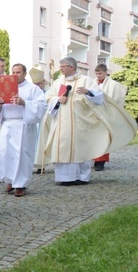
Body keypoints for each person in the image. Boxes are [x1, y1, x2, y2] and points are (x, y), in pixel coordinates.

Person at [42, 57, 136, 186]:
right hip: (61, 123)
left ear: (72, 67)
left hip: (81, 122)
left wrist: (88, 92)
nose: (61, 69)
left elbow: (99, 98)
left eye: (63, 66)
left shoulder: (86, 81)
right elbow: (48, 97)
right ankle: (65, 178)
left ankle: (81, 177)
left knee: (81, 149)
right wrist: (57, 100)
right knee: (63, 147)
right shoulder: (58, 82)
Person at [0, 64, 46, 197]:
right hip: (7, 124)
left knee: (21, 155)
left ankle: (20, 184)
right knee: (4, 153)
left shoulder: (32, 89)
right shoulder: (4, 87)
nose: (15, 74)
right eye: (13, 72)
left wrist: (24, 103)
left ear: (24, 74)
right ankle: (10, 181)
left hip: (23, 125)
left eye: (18, 72)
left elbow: (41, 106)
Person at [92, 63, 128, 171]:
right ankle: (95, 159)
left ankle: (101, 161)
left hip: (106, 114)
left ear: (105, 72)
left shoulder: (113, 85)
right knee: (94, 138)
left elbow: (117, 97)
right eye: (97, 73)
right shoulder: (92, 83)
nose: (98, 76)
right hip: (94, 114)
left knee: (104, 138)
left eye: (100, 73)